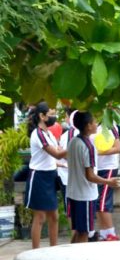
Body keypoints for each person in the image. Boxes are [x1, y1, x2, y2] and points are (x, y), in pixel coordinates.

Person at [66, 112, 119, 243]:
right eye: (94, 122)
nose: (96, 125)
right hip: (85, 195)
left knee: (79, 230)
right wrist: (108, 181)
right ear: (88, 126)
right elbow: (90, 176)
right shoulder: (89, 146)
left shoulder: (73, 141)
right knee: (84, 233)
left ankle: (70, 258)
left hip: (73, 192)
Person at [26, 103, 67, 249]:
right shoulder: (38, 134)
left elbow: (56, 154)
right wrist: (75, 145)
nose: (53, 117)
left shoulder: (48, 133)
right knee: (40, 217)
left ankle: (53, 249)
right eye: (51, 114)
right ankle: (35, 252)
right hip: (39, 177)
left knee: (54, 216)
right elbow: (56, 153)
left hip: (50, 176)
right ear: (42, 116)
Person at [93, 120, 120, 241]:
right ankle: (104, 232)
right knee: (98, 202)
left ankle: (111, 233)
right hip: (96, 168)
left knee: (103, 201)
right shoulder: (92, 126)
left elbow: (118, 148)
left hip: (108, 167)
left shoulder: (109, 125)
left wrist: (98, 152)